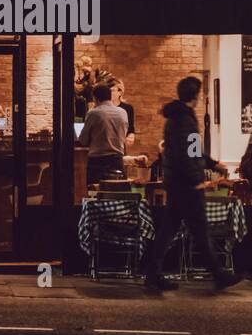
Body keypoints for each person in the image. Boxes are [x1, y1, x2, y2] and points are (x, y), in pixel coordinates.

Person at [145, 76, 242, 292]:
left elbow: (192, 151)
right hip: (186, 185)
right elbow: (187, 155)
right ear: (195, 96)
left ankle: (152, 274)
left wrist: (213, 164)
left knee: (168, 230)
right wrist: (197, 180)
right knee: (199, 230)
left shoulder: (178, 118)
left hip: (177, 183)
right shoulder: (184, 120)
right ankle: (218, 275)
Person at [77, 83, 129, 185]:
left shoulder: (93, 113)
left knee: (95, 195)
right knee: (114, 194)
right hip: (117, 161)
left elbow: (83, 140)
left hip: (98, 162)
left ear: (95, 98)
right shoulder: (123, 112)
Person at [109, 78, 137, 150]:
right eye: (108, 91)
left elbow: (130, 128)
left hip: (120, 146)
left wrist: (131, 136)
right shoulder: (102, 108)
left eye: (112, 90)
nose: (109, 93)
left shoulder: (127, 108)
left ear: (120, 93)